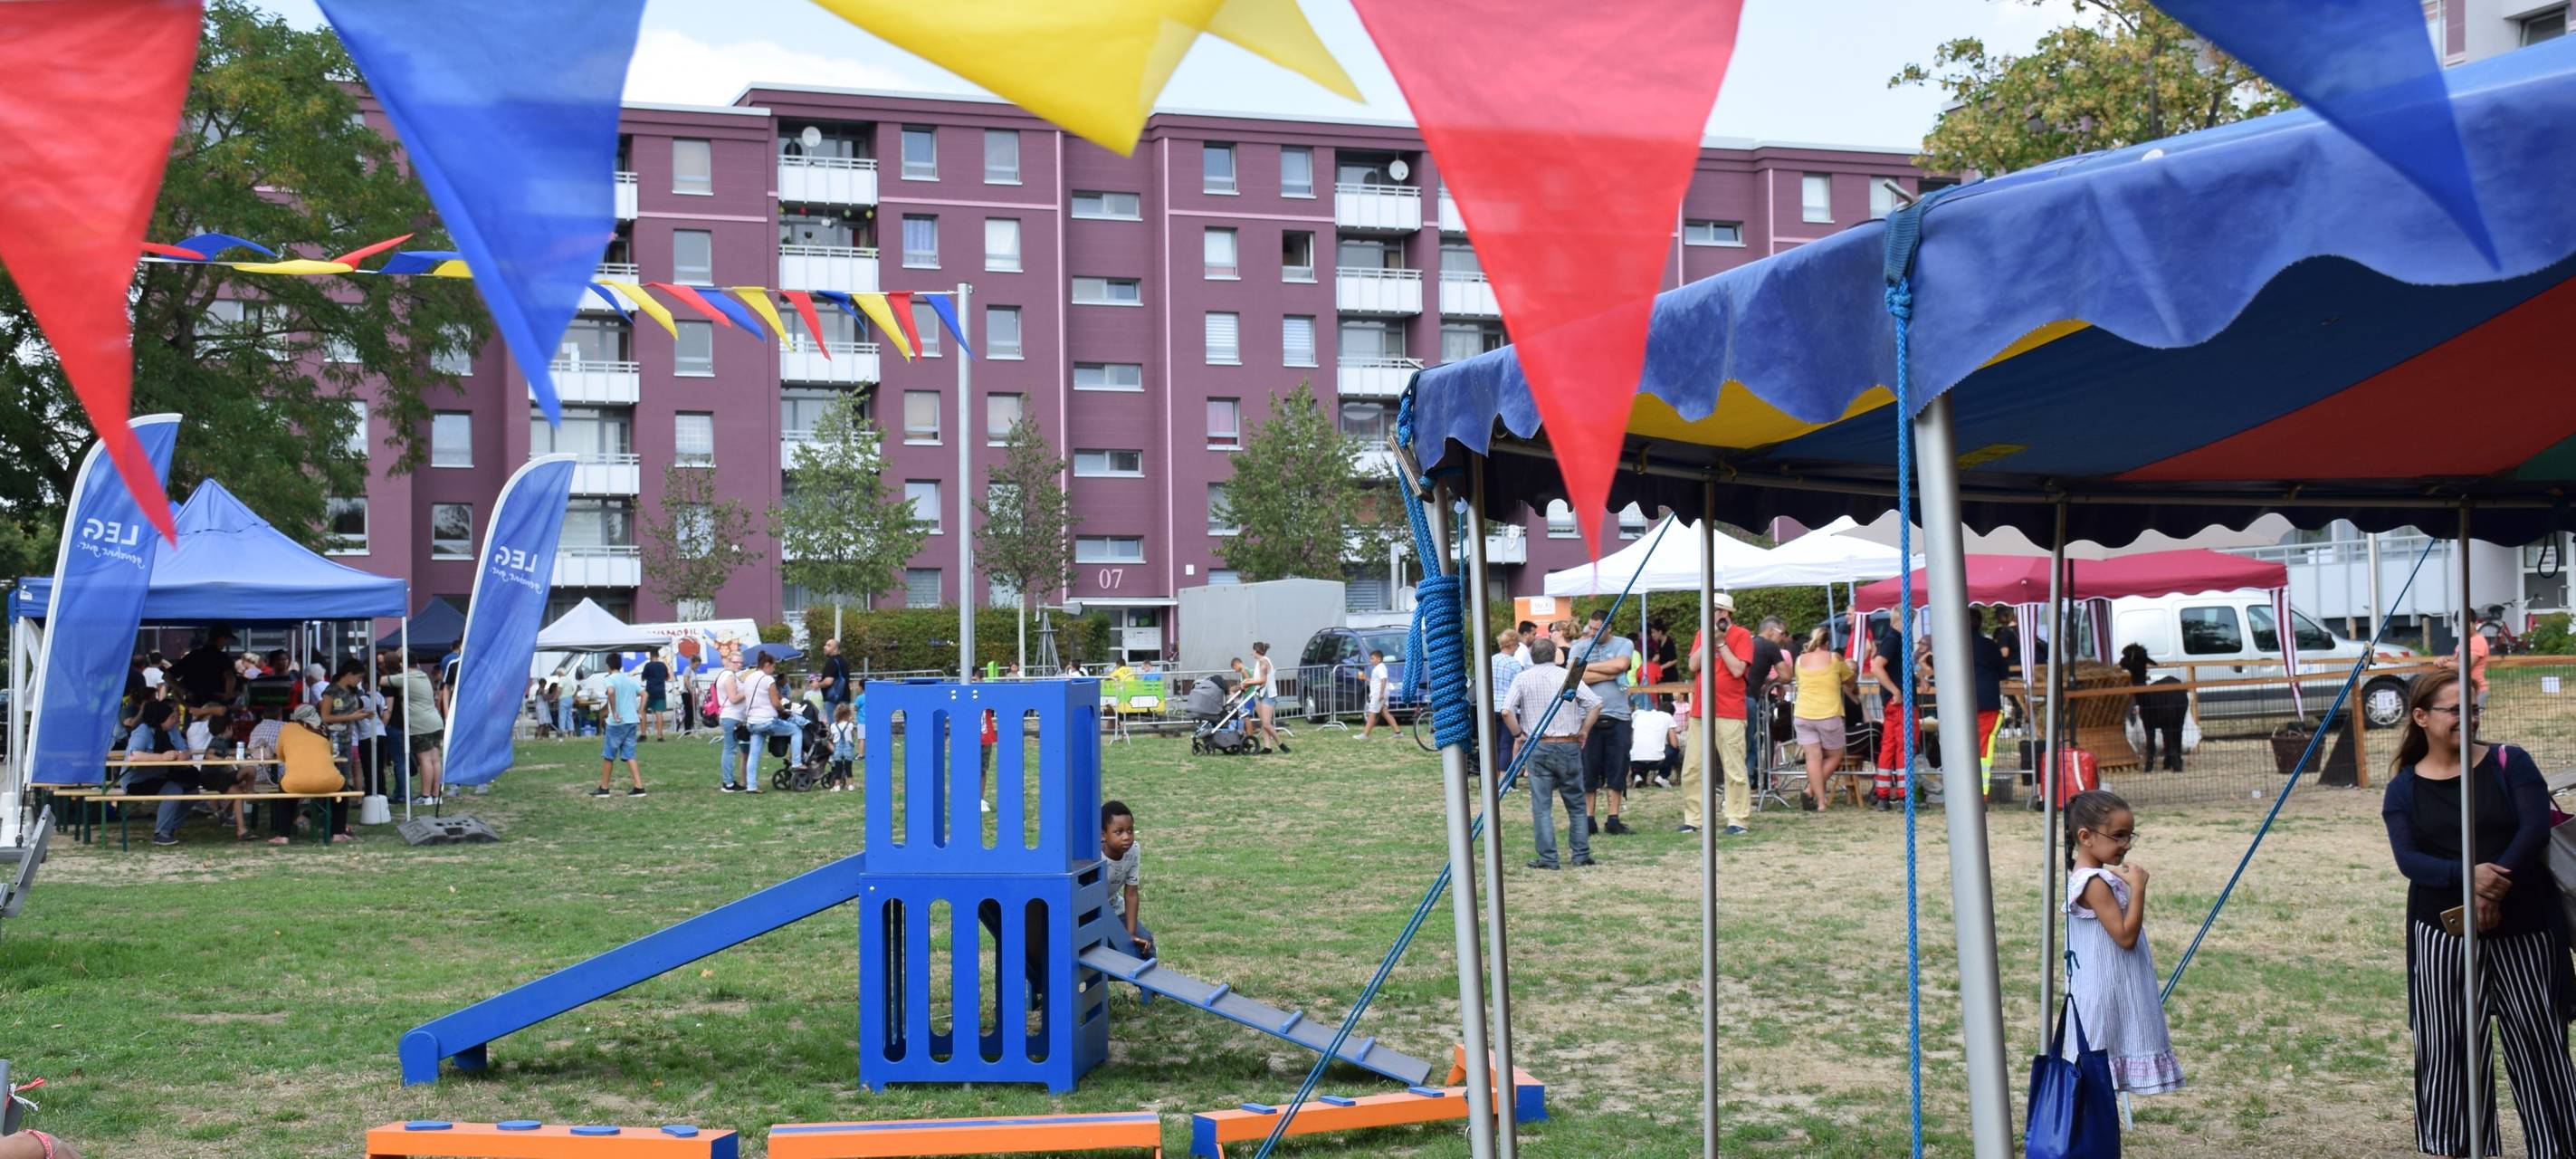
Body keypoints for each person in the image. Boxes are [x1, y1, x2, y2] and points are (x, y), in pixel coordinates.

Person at [2381, 669, 2576, 1155]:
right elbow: (2410, 861)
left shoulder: (2511, 762)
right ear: (2421, 717)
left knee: (2539, 1045)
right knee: (2447, 1049)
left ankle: (2557, 1147)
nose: (2466, 718)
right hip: (2442, 937)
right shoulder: (2403, 789)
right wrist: (2465, 877)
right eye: (2454, 710)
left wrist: (2491, 888)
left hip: (2525, 927)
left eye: (2472, 709)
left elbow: (2532, 829)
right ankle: (2459, 1147)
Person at [2061, 789, 2183, 1097]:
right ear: (2086, 836)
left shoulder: (2095, 878)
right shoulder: (2094, 883)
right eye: (2118, 835)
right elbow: (2125, 936)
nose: (2126, 845)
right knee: (2093, 1080)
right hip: (2106, 996)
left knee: (2097, 1086)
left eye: (2130, 835)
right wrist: (2139, 888)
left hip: (2108, 989)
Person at [1501, 637, 1601, 870]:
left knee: (1542, 806)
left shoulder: (1523, 678)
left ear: (1532, 656)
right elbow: (1595, 704)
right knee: (1576, 804)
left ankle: (1548, 858)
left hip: (1539, 745)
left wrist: (1518, 735)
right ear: (1555, 654)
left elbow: (1506, 711)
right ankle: (1580, 854)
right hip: (1568, 743)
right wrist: (1584, 731)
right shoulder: (1569, 677)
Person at [1681, 595, 1755, 836]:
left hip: (1729, 710)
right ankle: (1694, 819)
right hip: (1701, 710)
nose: (1707, 614)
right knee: (1692, 767)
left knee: (1733, 768)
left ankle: (1737, 819)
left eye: (1712, 610)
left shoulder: (1742, 635)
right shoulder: (1703, 633)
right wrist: (1709, 640)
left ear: (1724, 613)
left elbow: (1737, 669)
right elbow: (1693, 665)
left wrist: (1722, 643)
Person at [1569, 610, 1637, 836]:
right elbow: (1572, 676)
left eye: (1598, 628)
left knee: (1617, 768)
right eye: (1591, 627)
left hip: (1618, 716)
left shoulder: (1624, 643)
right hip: (1587, 718)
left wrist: (1588, 668)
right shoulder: (1580, 647)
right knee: (1589, 769)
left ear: (1609, 627)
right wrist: (1610, 671)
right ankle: (1588, 819)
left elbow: (1622, 665)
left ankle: (1613, 818)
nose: (1593, 632)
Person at [1792, 625, 1856, 811]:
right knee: (1835, 755)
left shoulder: (1799, 660)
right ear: (1827, 643)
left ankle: (1819, 801)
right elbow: (1849, 678)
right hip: (1828, 713)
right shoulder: (1834, 658)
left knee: (1813, 757)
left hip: (1803, 713)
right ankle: (1811, 793)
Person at [385, 656, 444, 804]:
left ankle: (425, 796)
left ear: (401, 664)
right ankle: (436, 795)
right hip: (435, 721)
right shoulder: (423, 675)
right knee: (435, 760)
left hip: (420, 724)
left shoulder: (405, 677)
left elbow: (380, 680)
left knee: (425, 760)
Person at [1869, 618, 1915, 810]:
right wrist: (1896, 690)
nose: (1912, 625)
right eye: (1910, 621)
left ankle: (1883, 794)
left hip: (1892, 702)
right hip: (1899, 702)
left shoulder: (1892, 639)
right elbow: (1876, 666)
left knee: (1889, 747)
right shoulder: (1894, 640)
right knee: (1904, 746)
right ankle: (1905, 795)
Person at [738, 652, 800, 789]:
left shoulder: (748, 678)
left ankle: (752, 786)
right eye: (773, 667)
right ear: (767, 665)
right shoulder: (768, 680)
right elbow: (776, 703)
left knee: (753, 755)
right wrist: (784, 711)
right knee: (795, 730)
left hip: (752, 722)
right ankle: (796, 763)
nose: (774, 670)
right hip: (766, 720)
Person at [1101, 800, 1153, 959]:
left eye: (1130, 831)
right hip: (1091, 913)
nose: (1126, 837)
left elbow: (1131, 893)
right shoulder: (1094, 854)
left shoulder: (1134, 850)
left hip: (1115, 909)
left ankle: (1145, 983)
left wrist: (1130, 934)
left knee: (1146, 943)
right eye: (1119, 832)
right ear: (1103, 835)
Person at [1965, 607, 2008, 795]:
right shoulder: (1989, 646)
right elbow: (2003, 672)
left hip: (1960, 705)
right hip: (1987, 703)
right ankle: (1981, 793)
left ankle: (1964, 789)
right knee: (1983, 748)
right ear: (1980, 623)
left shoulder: (1953, 645)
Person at [591, 661, 646, 798]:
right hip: (631, 721)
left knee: (609, 755)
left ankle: (604, 788)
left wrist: (614, 711)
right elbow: (644, 694)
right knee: (630, 754)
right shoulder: (629, 678)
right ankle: (639, 787)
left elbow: (610, 692)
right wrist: (640, 711)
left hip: (617, 723)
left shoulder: (609, 679)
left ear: (608, 666)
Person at [1746, 617, 1790, 781]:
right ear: (1771, 631)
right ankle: (1750, 782)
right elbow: (1786, 676)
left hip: (1732, 697)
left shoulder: (1748, 642)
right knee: (1751, 743)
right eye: (1782, 633)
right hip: (1750, 698)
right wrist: (1771, 683)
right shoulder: (1769, 646)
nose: (1783, 638)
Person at [171, 626, 239, 707]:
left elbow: (168, 676)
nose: (226, 643)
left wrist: (185, 700)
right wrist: (228, 695)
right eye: (226, 639)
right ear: (222, 638)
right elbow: (230, 677)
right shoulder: (221, 657)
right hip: (215, 705)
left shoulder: (193, 656)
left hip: (194, 705)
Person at [716, 648, 753, 792]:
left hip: (729, 715)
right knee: (730, 750)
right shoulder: (729, 677)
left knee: (729, 749)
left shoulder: (724, 675)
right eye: (736, 662)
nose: (739, 665)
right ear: (729, 662)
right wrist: (747, 690)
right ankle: (728, 783)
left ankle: (729, 781)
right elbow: (734, 699)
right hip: (731, 716)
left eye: (741, 663)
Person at [2438, 611, 2494, 709]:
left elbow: (2465, 667)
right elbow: (2456, 660)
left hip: (2475, 691)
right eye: (2459, 625)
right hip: (2464, 690)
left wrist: (2444, 664)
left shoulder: (2477, 641)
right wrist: (2444, 659)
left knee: (2469, 723)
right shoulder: (2465, 641)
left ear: (2475, 623)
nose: (2462, 627)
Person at [1490, 630, 1524, 772]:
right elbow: (1519, 688)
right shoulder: (1515, 664)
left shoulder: (1490, 660)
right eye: (1517, 645)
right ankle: (1504, 778)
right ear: (1512, 645)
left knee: (1493, 744)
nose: (1517, 648)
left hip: (1490, 706)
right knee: (1506, 744)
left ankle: (1492, 776)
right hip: (1508, 708)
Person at [1627, 694, 1675, 795]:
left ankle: (1637, 775)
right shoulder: (1668, 717)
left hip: (1635, 760)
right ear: (1671, 714)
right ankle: (1662, 776)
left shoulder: (1640, 715)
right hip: (1656, 762)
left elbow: (1632, 741)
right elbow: (1675, 744)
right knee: (1674, 749)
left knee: (1637, 749)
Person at [1248, 641, 1287, 753]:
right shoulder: (1259, 662)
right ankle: (1267, 747)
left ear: (1256, 651)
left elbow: (1263, 681)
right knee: (1263, 723)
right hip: (1260, 694)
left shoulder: (1263, 662)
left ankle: (1280, 744)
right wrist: (1249, 681)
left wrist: (1248, 683)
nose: (1252, 653)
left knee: (1266, 723)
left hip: (1268, 695)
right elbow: (1258, 679)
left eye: (1253, 651)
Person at [1360, 649, 1398, 739]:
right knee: (1385, 713)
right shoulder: (1379, 668)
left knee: (1372, 713)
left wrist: (1381, 693)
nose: (1371, 661)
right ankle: (1398, 732)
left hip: (1379, 693)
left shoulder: (1380, 668)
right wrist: (1366, 678)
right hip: (1381, 692)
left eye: (1372, 658)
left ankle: (1365, 734)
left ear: (1379, 659)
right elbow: (1376, 681)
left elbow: (1383, 679)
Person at [640, 650, 672, 742]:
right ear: (658, 656)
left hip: (649, 691)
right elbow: (667, 677)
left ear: (650, 656)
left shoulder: (648, 665)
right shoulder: (662, 665)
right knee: (659, 713)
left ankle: (643, 734)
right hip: (660, 691)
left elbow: (643, 677)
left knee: (642, 711)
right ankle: (660, 736)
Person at [827, 704, 857, 791]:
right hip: (848, 748)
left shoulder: (833, 726)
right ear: (848, 714)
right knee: (848, 767)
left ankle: (837, 785)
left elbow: (832, 738)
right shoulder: (850, 725)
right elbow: (852, 735)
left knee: (838, 768)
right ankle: (851, 785)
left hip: (838, 749)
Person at [820, 637, 850, 714]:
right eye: (825, 645)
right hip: (845, 698)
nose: (825, 647)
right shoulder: (843, 661)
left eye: (828, 645)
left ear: (835, 648)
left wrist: (818, 684)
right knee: (844, 724)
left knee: (834, 724)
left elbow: (828, 682)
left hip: (833, 701)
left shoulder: (832, 662)